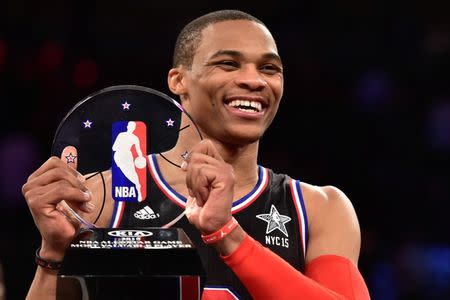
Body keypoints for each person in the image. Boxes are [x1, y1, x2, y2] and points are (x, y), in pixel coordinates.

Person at [22, 10, 370, 299]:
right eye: (229, 64)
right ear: (178, 81)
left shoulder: (319, 208)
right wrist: (51, 255)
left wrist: (227, 234)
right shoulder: (101, 198)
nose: (255, 81)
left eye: (269, 68)